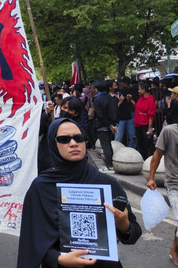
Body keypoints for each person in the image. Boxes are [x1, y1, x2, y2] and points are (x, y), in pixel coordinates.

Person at [17, 118, 141, 267]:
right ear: (53, 144)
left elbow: (133, 233)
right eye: (64, 139)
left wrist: (124, 225)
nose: (73, 143)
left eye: (78, 137)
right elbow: (32, 240)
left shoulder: (107, 183)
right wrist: (58, 259)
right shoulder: (41, 187)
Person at [147, 90, 178, 265]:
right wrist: (151, 178)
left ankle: (174, 247)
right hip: (174, 184)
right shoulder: (169, 131)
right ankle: (174, 250)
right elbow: (157, 155)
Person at [92, 81, 116, 172]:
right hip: (111, 124)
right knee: (109, 144)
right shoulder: (110, 97)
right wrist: (113, 124)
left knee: (105, 146)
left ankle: (109, 165)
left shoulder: (97, 99)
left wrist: (109, 125)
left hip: (102, 125)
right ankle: (111, 163)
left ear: (97, 89)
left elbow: (100, 115)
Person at [134, 81, 156, 159]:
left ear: (144, 90)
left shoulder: (150, 100)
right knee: (140, 143)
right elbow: (137, 107)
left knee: (147, 143)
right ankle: (143, 159)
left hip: (145, 124)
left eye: (139, 89)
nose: (138, 91)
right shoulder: (140, 99)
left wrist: (150, 127)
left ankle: (150, 159)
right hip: (138, 124)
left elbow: (151, 114)